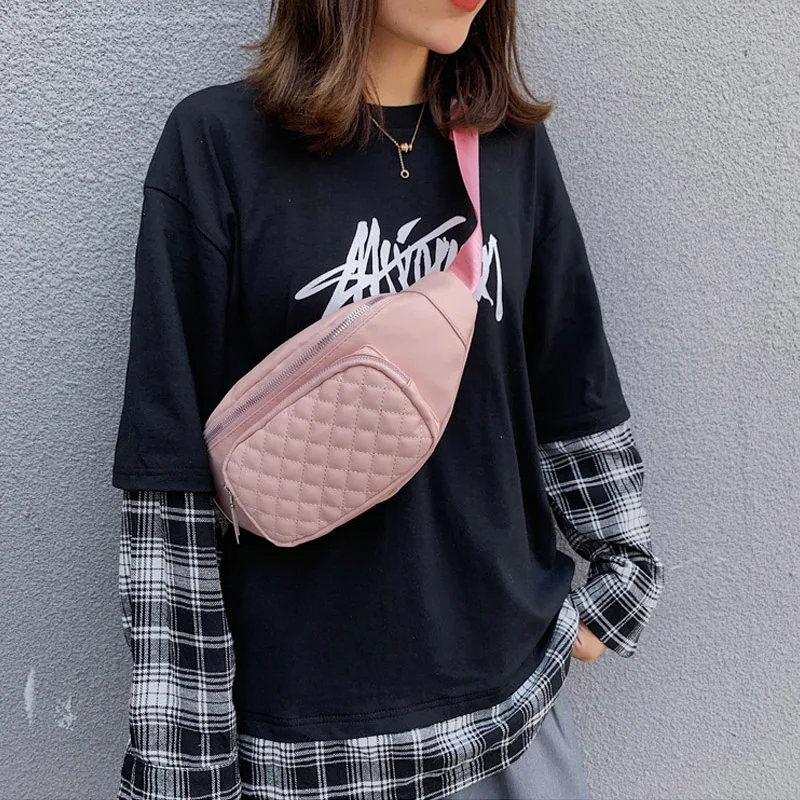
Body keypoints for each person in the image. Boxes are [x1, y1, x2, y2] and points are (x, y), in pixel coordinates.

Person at [111, 0, 666, 798]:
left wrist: (616, 588)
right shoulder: (216, 146)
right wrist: (183, 770)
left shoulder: (509, 148)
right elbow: (168, 481)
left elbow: (573, 386)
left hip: (510, 728)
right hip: (305, 758)